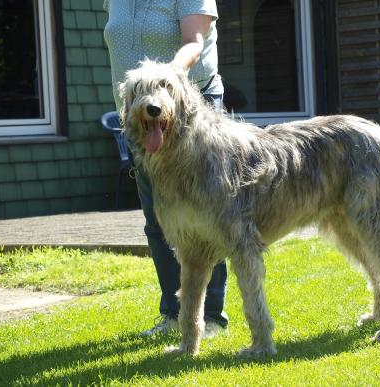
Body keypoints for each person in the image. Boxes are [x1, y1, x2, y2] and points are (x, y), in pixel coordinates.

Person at [103, 0, 228, 337]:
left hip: (190, 108)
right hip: (140, 118)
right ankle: (174, 315)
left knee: (206, 219)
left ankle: (212, 318)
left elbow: (194, 41)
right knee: (158, 220)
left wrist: (166, 78)